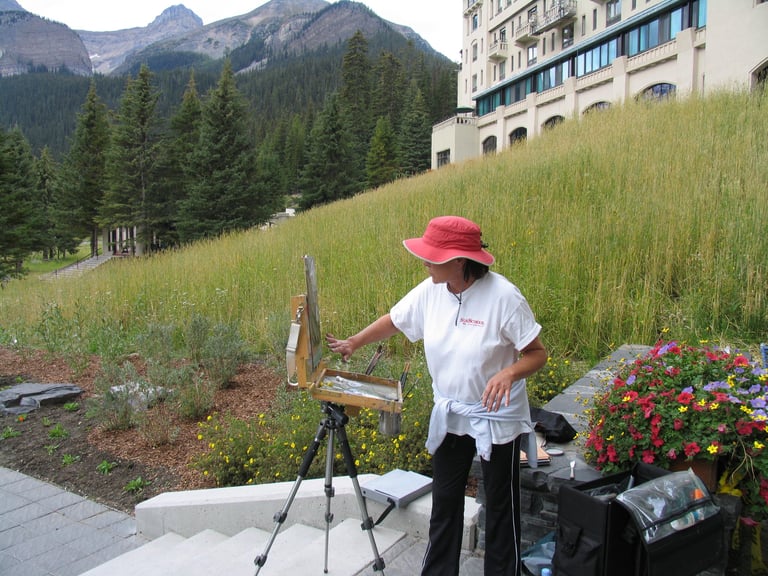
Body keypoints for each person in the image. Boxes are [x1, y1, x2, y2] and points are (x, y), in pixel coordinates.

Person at [326, 215, 547, 576]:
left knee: (500, 506)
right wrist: (355, 342)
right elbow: (395, 320)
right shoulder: (431, 291)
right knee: (445, 500)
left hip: (495, 414)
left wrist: (508, 373)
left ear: (459, 260)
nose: (424, 262)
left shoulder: (504, 297)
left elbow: (537, 353)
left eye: (432, 256)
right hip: (451, 412)